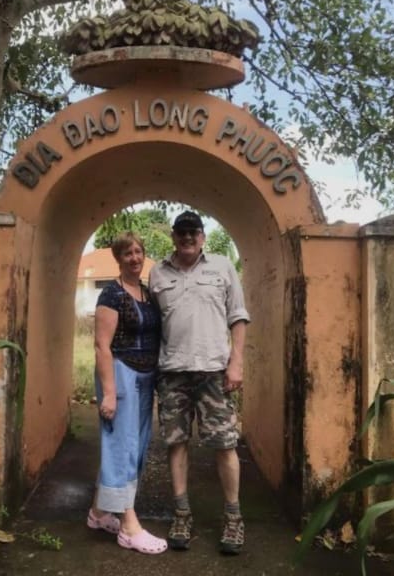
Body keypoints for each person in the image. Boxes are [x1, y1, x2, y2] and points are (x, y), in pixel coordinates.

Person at [149, 210, 250, 555]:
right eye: (182, 232)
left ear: (203, 236)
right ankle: (181, 514)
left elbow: (238, 317)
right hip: (173, 373)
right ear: (174, 236)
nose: (187, 237)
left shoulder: (222, 267)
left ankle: (233, 518)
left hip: (214, 373)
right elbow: (153, 323)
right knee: (176, 443)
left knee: (225, 444)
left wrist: (236, 363)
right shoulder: (158, 272)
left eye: (193, 232)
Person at [87, 231, 167, 555]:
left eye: (138, 252)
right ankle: (129, 527)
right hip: (119, 374)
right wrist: (108, 393)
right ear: (118, 259)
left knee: (138, 446)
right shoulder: (111, 294)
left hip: (146, 377)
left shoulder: (147, 294)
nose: (134, 257)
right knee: (122, 446)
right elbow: (101, 346)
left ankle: (99, 512)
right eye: (127, 253)